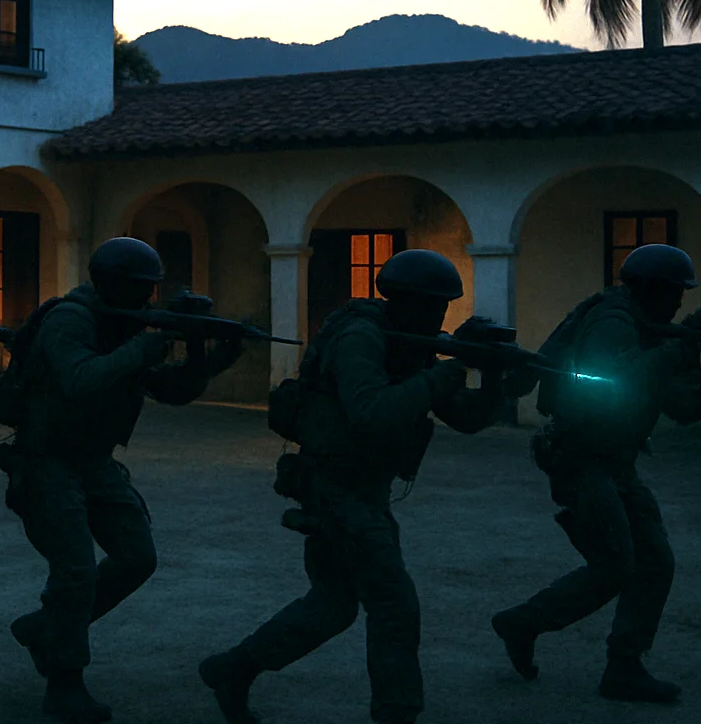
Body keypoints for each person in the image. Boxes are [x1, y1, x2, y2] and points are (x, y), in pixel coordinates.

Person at [199, 249, 510, 724]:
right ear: (402, 301)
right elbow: (371, 412)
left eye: (443, 307)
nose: (438, 317)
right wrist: (450, 367)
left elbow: (465, 418)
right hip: (335, 488)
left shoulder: (409, 343)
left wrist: (494, 377)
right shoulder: (361, 337)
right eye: (431, 306)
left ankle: (234, 668)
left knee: (333, 605)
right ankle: (396, 711)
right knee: (394, 605)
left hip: (362, 492)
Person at [491, 243, 701, 703]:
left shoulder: (652, 333)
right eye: (674, 294)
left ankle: (623, 666)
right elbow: (608, 385)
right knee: (613, 567)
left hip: (617, 461)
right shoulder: (614, 322)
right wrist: (680, 348)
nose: (678, 304)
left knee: (654, 561)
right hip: (579, 456)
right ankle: (524, 623)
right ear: (652, 290)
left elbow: (684, 408)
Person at [6, 236, 242, 723]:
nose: (147, 300)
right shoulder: (70, 319)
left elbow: (170, 392)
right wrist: (143, 347)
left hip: (95, 460)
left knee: (137, 556)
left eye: (149, 292)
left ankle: (46, 628)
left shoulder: (125, 323)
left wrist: (209, 356)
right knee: (74, 571)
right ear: (110, 284)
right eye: (139, 291)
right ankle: (64, 682)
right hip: (46, 459)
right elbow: (77, 379)